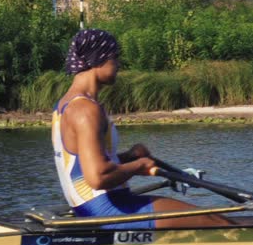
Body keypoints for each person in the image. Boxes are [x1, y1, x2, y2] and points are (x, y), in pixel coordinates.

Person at [52, 29, 229, 228]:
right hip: (109, 209)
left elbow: (83, 164)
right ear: (97, 59)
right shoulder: (85, 109)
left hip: (96, 206)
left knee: (207, 218)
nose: (118, 65)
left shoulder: (65, 104)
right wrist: (139, 166)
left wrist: (129, 157)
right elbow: (97, 177)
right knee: (217, 222)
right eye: (115, 57)